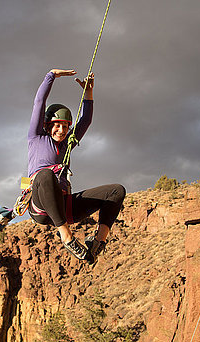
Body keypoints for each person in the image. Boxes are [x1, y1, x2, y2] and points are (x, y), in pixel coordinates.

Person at [27, 68, 126, 263]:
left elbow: (85, 121)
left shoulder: (67, 144)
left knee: (116, 191)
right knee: (45, 175)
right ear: (47, 125)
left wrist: (88, 93)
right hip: (41, 206)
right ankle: (66, 235)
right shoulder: (36, 137)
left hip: (65, 206)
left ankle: (98, 242)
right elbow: (39, 103)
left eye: (65, 126)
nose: (61, 130)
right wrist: (51, 76)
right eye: (57, 125)